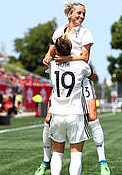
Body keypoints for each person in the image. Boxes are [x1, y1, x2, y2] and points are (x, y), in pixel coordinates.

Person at [36, 2, 110, 175]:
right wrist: (48, 57)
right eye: (79, 13)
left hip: (81, 79)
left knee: (92, 116)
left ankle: (102, 161)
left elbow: (85, 57)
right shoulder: (59, 31)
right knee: (47, 119)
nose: (82, 17)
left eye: (84, 14)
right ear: (69, 14)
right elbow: (51, 50)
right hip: (68, 76)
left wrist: (65, 59)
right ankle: (45, 161)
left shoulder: (85, 32)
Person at [47, 35, 98, 175]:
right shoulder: (81, 65)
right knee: (76, 154)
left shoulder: (52, 66)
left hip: (57, 113)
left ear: (57, 51)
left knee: (57, 154)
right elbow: (94, 77)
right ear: (72, 50)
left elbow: (51, 59)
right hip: (76, 113)